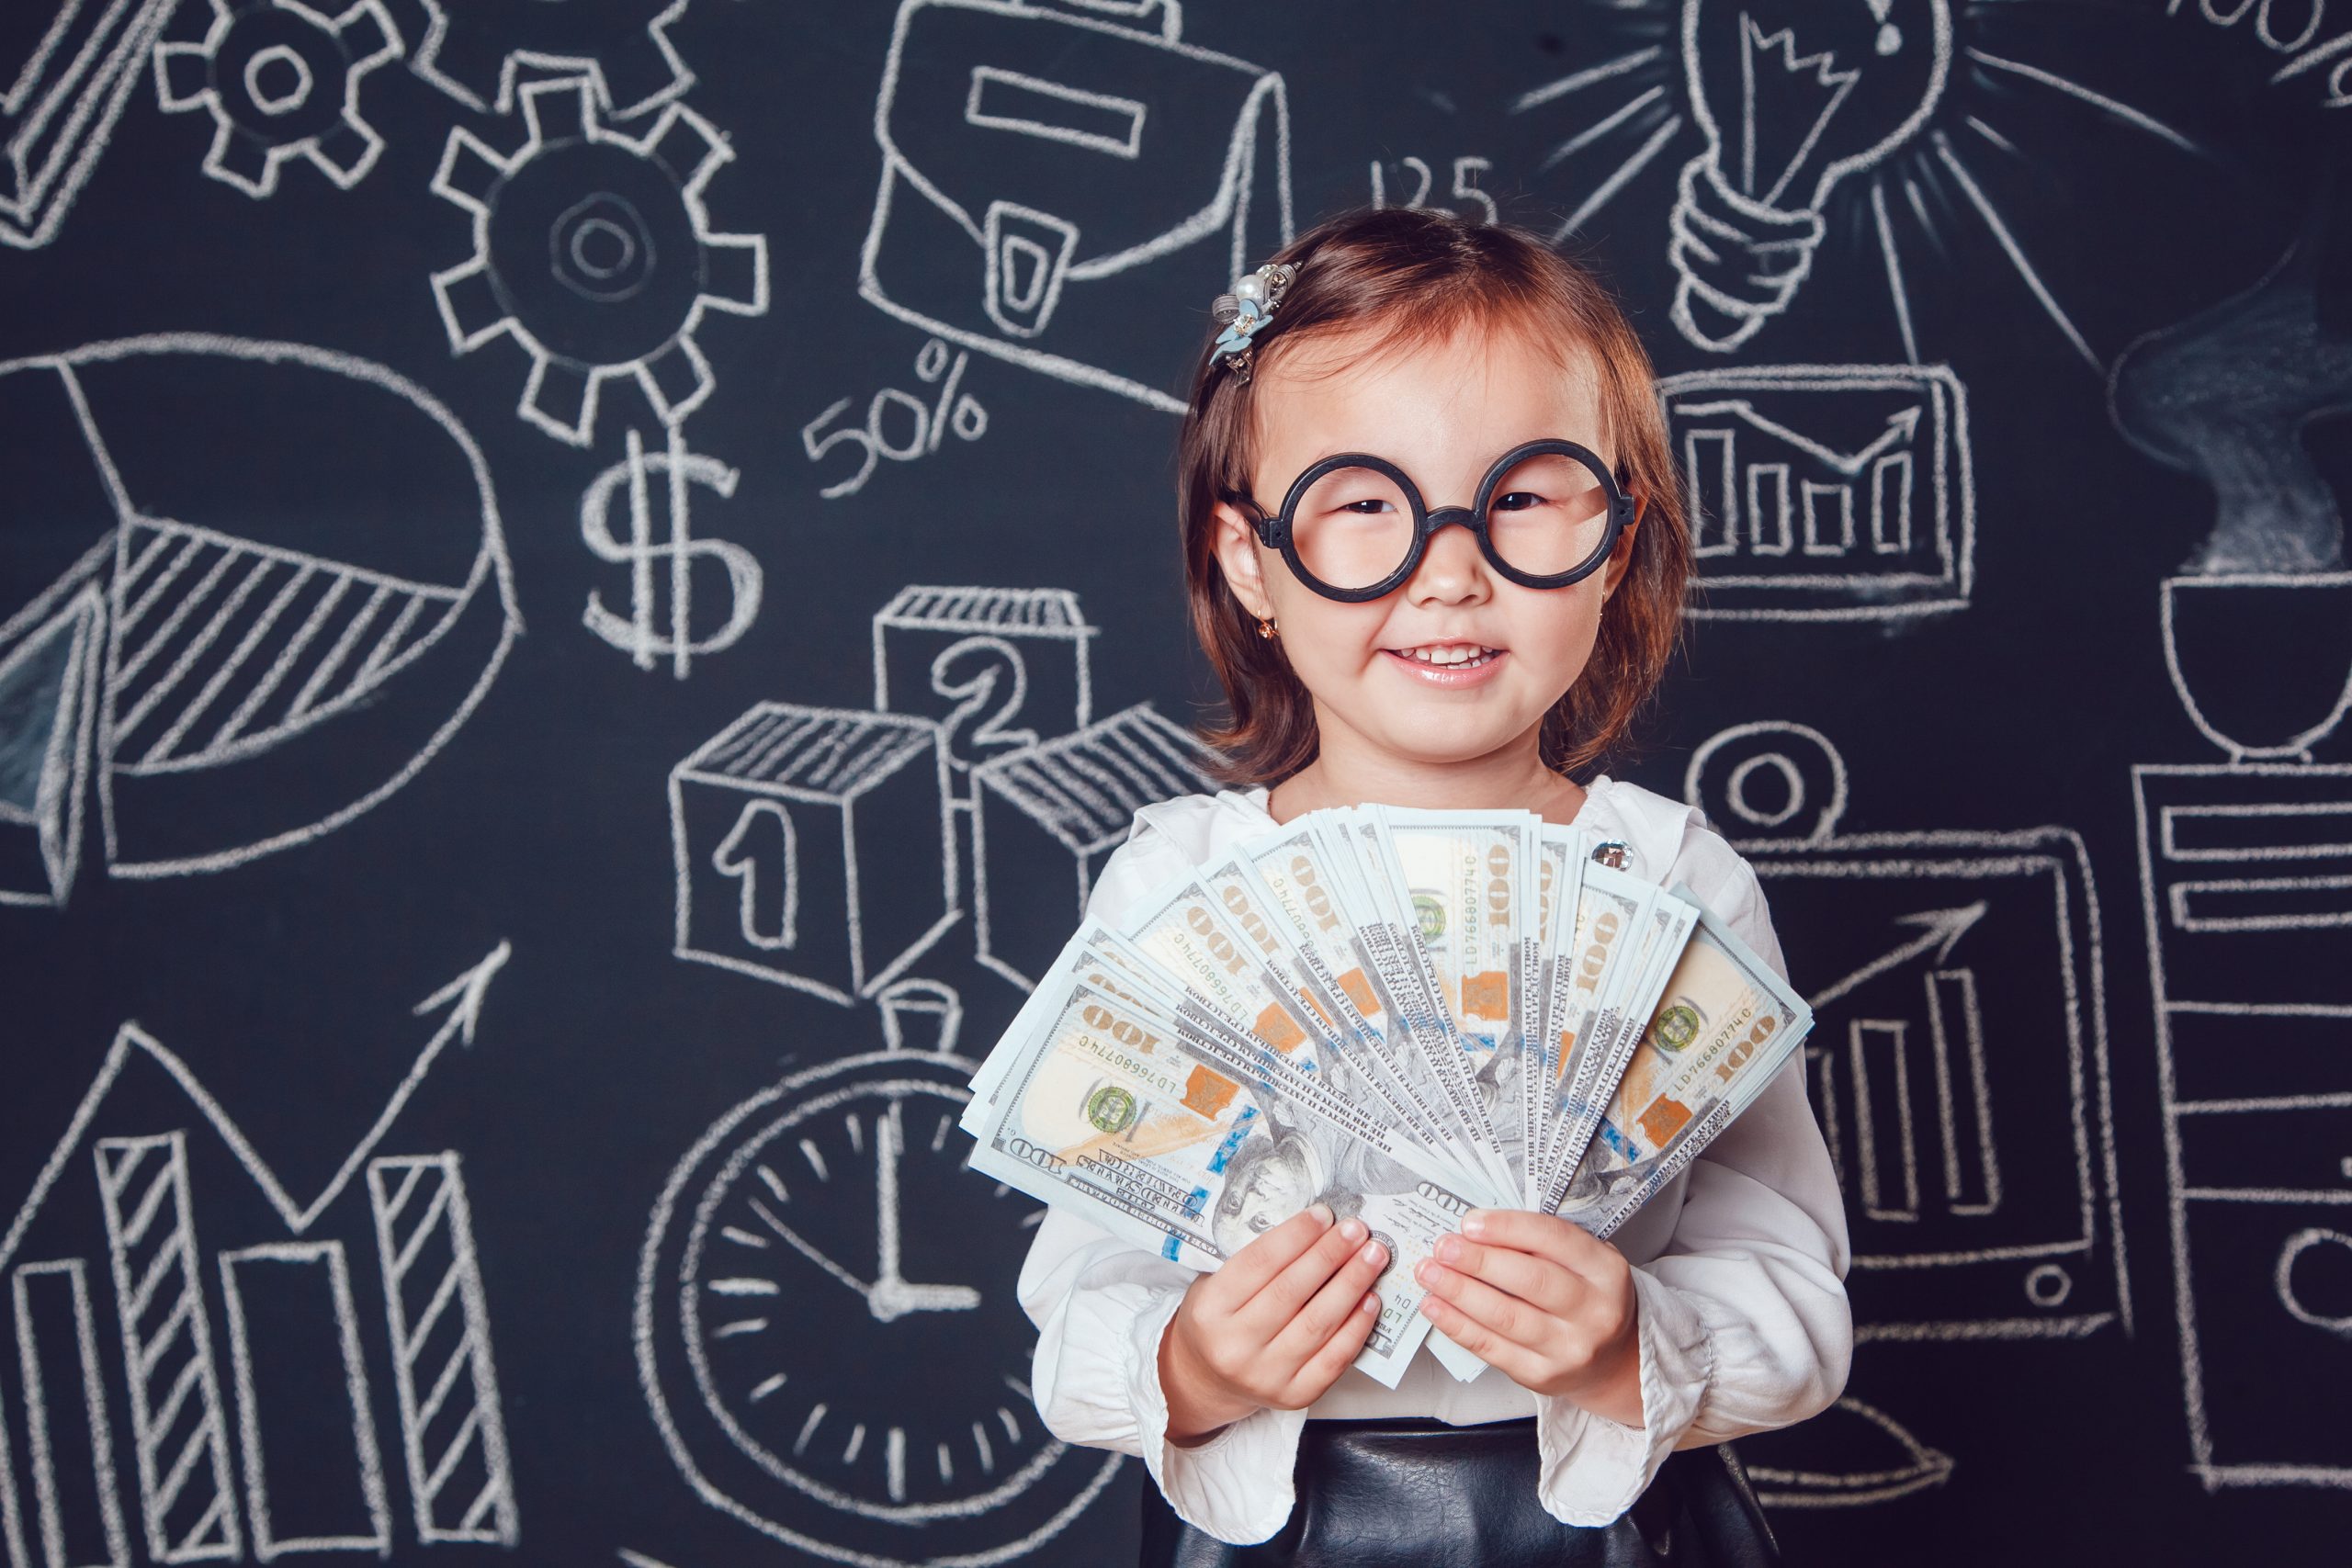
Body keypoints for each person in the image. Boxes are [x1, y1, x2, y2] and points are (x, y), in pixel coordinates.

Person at [1016, 207, 1851, 1565]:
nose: (1450, 573)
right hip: (1281, 1532)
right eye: (1362, 505)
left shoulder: (1675, 879)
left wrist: (1637, 1343)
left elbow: (1796, 1306)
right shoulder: (1178, 885)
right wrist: (1193, 1365)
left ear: (1617, 538)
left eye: (1521, 496)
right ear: (1252, 561)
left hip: (1610, 1529)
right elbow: (1076, 1299)